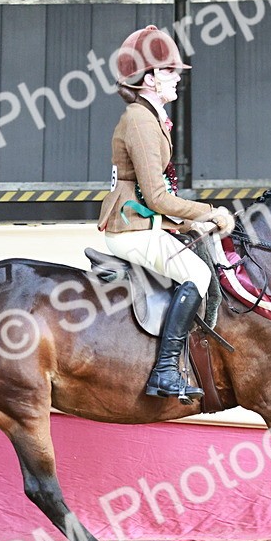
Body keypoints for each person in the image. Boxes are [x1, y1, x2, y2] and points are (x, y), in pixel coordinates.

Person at [97, 25, 235, 400]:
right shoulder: (140, 121)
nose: (176, 78)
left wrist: (191, 220)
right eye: (170, 72)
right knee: (197, 272)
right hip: (131, 228)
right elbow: (157, 196)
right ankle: (164, 372)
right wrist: (209, 212)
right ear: (150, 77)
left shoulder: (152, 117)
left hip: (145, 220)